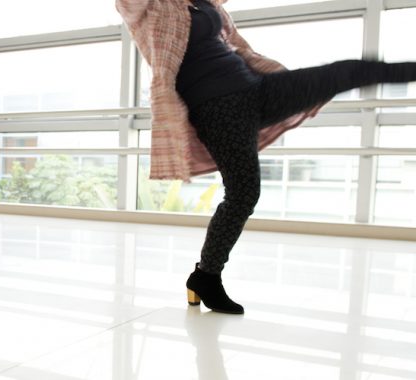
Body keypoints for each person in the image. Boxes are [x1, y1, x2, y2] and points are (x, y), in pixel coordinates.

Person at [116, 0, 416, 314]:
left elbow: (237, 47)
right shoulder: (154, 7)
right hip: (217, 108)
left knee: (348, 71)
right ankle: (205, 277)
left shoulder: (209, 6)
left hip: (257, 90)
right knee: (244, 194)